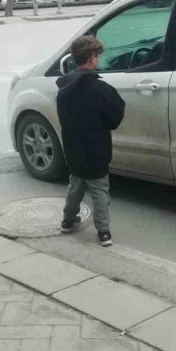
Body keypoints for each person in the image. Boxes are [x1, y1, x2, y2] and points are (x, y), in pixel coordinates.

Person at [56, 35, 125, 247]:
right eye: (97, 56)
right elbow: (115, 118)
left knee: (75, 186)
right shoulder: (102, 89)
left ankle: (68, 221)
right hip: (97, 150)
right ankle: (103, 232)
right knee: (99, 191)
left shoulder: (63, 89)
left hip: (73, 149)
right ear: (93, 58)